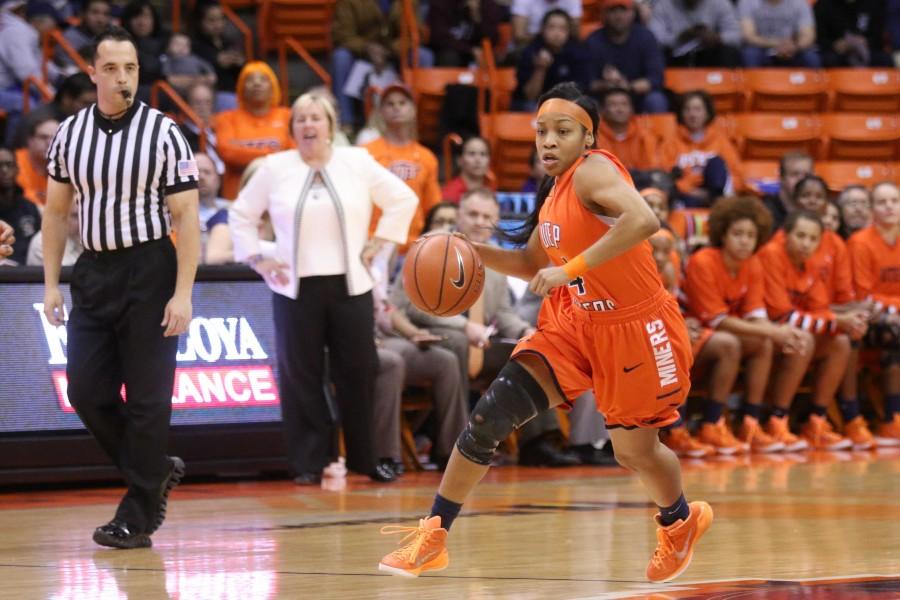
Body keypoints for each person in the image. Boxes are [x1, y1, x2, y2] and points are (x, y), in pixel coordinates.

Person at [378, 82, 712, 583]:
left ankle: (680, 520)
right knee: (490, 417)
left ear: (588, 138)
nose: (548, 142)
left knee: (633, 452)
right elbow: (531, 262)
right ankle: (435, 533)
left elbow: (644, 219)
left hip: (636, 327)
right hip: (576, 324)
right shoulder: (555, 192)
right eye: (541, 132)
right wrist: (466, 248)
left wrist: (569, 268)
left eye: (562, 131)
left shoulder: (595, 170)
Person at [42, 27, 200, 549]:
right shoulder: (69, 134)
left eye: (130, 68)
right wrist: (51, 286)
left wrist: (183, 293)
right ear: (93, 73)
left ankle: (136, 515)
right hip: (94, 269)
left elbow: (188, 218)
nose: (122, 77)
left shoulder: (165, 132)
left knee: (150, 402)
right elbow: (57, 213)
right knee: (87, 391)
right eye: (110, 68)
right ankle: (153, 470)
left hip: (150, 268)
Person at [229, 92, 418, 485]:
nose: (308, 125)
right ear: (292, 128)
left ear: (332, 127)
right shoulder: (273, 167)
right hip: (294, 288)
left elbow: (403, 198)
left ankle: (367, 460)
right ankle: (309, 462)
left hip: (351, 284)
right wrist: (256, 258)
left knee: (359, 372)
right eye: (300, 120)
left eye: (316, 118)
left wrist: (380, 240)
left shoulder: (358, 161)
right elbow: (241, 214)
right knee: (302, 375)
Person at [684, 196, 814, 453]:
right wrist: (775, 331)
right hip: (690, 333)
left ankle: (752, 424)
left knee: (766, 342)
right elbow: (717, 321)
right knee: (734, 343)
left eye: (751, 235)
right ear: (722, 233)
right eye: (738, 233)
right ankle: (710, 424)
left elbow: (756, 313)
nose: (745, 240)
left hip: (721, 335)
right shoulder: (703, 261)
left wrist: (778, 334)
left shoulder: (752, 264)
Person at [758, 211, 859, 451]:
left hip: (789, 330)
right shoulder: (771, 255)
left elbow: (820, 309)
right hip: (763, 330)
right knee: (804, 340)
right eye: (800, 236)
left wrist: (842, 322)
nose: (806, 243)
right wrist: (838, 321)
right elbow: (781, 315)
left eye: (813, 239)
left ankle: (817, 422)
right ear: (785, 235)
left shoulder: (812, 262)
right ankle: (777, 420)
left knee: (840, 342)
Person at [848, 182, 900, 446]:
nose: (889, 206)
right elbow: (862, 296)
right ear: (871, 209)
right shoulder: (860, 242)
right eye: (882, 201)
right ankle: (891, 418)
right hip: (868, 318)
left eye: (894, 200)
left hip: (893, 316)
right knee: (895, 331)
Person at [331, 0, 434, 131]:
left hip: (395, 54)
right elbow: (341, 35)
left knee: (423, 56)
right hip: (360, 54)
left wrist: (391, 49)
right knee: (340, 57)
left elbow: (416, 33)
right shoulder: (349, 2)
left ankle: (415, 121)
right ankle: (346, 123)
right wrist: (368, 48)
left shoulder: (408, 2)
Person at [363, 83, 441, 251]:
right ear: (381, 112)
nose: (396, 108)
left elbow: (433, 208)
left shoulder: (427, 157)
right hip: (375, 243)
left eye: (402, 103)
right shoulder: (366, 153)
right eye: (390, 104)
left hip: (415, 245)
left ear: (413, 110)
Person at [213, 61, 293, 199]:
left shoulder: (288, 116)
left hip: (282, 194)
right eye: (250, 79)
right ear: (241, 87)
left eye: (263, 79)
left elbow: (294, 153)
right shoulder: (226, 118)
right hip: (237, 197)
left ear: (273, 86)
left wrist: (244, 154)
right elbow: (228, 152)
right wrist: (276, 154)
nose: (257, 84)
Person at [660, 91, 742, 207]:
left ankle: (717, 201)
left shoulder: (720, 141)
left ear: (707, 113)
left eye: (697, 109)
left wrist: (711, 193)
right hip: (685, 196)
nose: (692, 114)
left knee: (716, 162)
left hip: (716, 196)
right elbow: (666, 176)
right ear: (681, 114)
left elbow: (737, 175)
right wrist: (691, 190)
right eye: (687, 109)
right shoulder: (671, 143)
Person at [585, 0, 668, 114]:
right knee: (586, 103)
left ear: (633, 13)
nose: (618, 16)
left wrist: (628, 86)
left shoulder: (646, 37)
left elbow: (656, 78)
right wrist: (607, 85)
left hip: (637, 95)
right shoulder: (593, 41)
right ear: (604, 15)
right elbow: (586, 82)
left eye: (623, 10)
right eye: (613, 11)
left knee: (656, 100)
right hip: (604, 96)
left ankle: (657, 132)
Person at [513, 9, 591, 112]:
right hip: (535, 103)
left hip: (567, 103)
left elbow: (581, 89)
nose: (557, 33)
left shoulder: (577, 51)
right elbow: (529, 96)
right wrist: (540, 68)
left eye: (562, 28)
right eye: (551, 27)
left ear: (569, 32)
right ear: (542, 29)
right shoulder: (530, 51)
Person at [13, 72, 96, 149]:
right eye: (86, 103)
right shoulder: (40, 122)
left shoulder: (82, 119)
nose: (92, 108)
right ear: (67, 99)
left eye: (95, 104)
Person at [649, 0, 742, 67]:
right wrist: (679, 38)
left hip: (709, 53)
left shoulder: (720, 3)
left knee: (728, 51)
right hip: (675, 55)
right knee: (657, 54)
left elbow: (736, 35)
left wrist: (717, 38)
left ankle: (725, 89)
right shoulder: (663, 4)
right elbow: (653, 38)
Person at [191, 1, 244, 111]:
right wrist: (216, 62)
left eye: (221, 19)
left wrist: (239, 63)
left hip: (235, 93)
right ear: (199, 21)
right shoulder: (193, 44)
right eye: (211, 20)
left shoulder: (228, 43)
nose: (217, 24)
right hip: (212, 96)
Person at [737, 0, 820, 67]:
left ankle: (817, 87)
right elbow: (748, 36)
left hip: (793, 48)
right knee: (750, 54)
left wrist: (794, 46)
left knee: (811, 57)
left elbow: (808, 36)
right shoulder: (748, 2)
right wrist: (778, 44)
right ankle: (752, 87)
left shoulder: (800, 3)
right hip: (762, 48)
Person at [596, 88, 660, 172]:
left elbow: (651, 167)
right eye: (613, 105)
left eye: (624, 104)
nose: (620, 109)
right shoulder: (594, 137)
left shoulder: (643, 134)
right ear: (603, 110)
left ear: (632, 109)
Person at [814, 0, 891, 67]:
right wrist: (834, 45)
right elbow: (820, 39)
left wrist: (865, 42)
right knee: (829, 59)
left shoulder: (874, 3)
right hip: (836, 52)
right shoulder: (824, 4)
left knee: (885, 60)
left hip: (867, 50)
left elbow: (878, 37)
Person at [427, 0, 502, 67]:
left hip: (478, 52)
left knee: (491, 58)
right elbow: (439, 37)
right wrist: (469, 50)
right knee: (449, 57)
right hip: (451, 51)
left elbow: (492, 39)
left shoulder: (487, 4)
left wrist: (476, 16)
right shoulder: (441, 3)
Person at [0, 147, 40, 265]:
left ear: (17, 169)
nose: (4, 170)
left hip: (27, 274)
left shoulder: (30, 208)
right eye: (0, 165)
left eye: (9, 165)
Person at [120, 1, 167, 90]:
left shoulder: (167, 43)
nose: (142, 22)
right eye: (136, 17)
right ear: (127, 20)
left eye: (146, 16)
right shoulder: (119, 45)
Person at [762, 151, 814, 230]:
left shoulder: (819, 208)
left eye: (807, 175)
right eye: (795, 174)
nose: (801, 180)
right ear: (781, 178)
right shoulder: (765, 211)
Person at [181, 81, 224, 174]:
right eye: (197, 103)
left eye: (207, 102)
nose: (203, 108)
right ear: (187, 105)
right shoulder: (180, 136)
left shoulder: (220, 130)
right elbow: (183, 171)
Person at [16, 116, 58, 207]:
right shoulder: (14, 161)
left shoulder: (63, 165)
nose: (49, 143)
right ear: (30, 140)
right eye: (43, 137)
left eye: (55, 138)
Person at [441, 136, 495, 204]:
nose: (478, 160)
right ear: (459, 160)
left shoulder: (491, 187)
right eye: (471, 154)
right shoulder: (450, 193)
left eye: (483, 154)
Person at [27, 200, 82, 266]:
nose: (81, 221)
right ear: (62, 216)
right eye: (75, 216)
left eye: (83, 215)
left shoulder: (77, 236)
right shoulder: (44, 238)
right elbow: (66, 271)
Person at [160, 32, 217, 96]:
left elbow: (206, 65)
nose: (181, 48)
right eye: (177, 44)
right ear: (168, 46)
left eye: (185, 45)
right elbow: (168, 76)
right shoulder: (168, 59)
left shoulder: (194, 58)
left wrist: (210, 73)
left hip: (197, 85)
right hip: (178, 88)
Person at [510, 0, 582, 47]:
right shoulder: (523, 1)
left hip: (562, 45)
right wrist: (547, 37)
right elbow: (519, 36)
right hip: (529, 45)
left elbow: (574, 33)